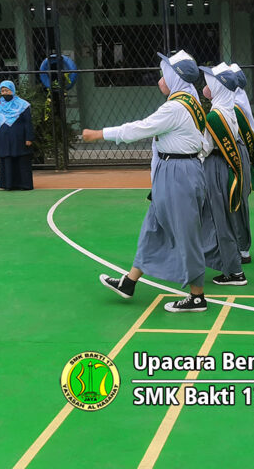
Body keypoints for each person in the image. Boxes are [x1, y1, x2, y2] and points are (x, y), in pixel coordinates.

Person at [86, 50, 212, 313]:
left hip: (179, 172)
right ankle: (129, 282)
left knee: (186, 233)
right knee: (153, 227)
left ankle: (197, 296)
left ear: (174, 79)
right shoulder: (190, 101)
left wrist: (100, 134)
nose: (159, 80)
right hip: (174, 170)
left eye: (163, 75)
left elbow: (138, 129)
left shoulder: (175, 107)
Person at [199, 63, 248, 286]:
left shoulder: (216, 115)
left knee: (221, 219)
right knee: (225, 217)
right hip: (226, 166)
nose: (206, 83)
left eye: (210, 81)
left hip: (216, 167)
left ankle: (234, 272)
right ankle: (230, 265)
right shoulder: (228, 107)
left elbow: (205, 148)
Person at [230, 63, 254, 264]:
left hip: (234, 159)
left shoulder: (236, 103)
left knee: (236, 200)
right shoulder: (236, 99)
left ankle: (241, 248)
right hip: (236, 158)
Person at [0, 80, 34, 190]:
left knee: (21, 158)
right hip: (4, 138)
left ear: (13, 90)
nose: (5, 93)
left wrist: (29, 137)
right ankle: (8, 184)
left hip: (19, 138)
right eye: (3, 91)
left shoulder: (23, 105)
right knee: (7, 158)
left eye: (7, 90)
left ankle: (24, 184)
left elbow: (28, 122)